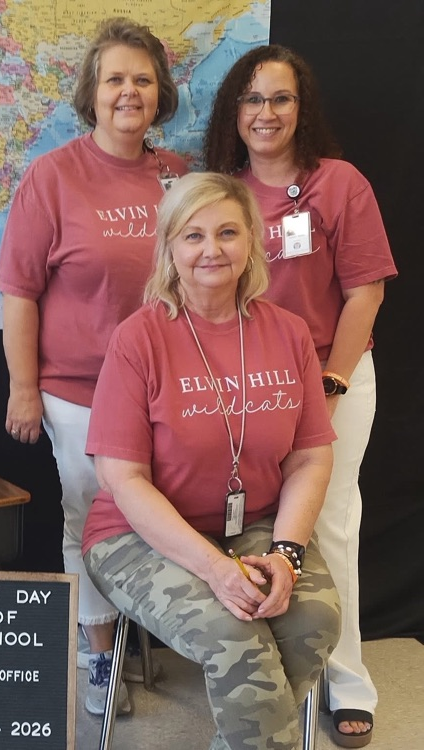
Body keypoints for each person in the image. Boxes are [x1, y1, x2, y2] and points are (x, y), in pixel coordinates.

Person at [83, 171, 341, 749]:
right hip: (138, 537)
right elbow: (122, 480)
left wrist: (286, 553)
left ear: (251, 240)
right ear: (169, 248)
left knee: (313, 625)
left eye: (228, 232)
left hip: (256, 525)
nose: (212, 249)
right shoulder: (139, 339)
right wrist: (216, 569)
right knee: (237, 638)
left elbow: (308, 459)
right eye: (193, 236)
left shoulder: (289, 333)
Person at [204, 44, 397, 748]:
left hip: (334, 374)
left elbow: (365, 291)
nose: (265, 113)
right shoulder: (221, 191)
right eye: (251, 99)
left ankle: (346, 681)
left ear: (301, 108)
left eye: (280, 98)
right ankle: (272, 666)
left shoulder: (340, 183)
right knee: (256, 524)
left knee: (331, 524)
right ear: (234, 111)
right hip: (249, 382)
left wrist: (333, 383)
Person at [0, 17, 187, 715]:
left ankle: (168, 637)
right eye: (114, 79)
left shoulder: (180, 174)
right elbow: (19, 291)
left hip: (168, 390)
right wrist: (23, 389)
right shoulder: (54, 176)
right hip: (78, 392)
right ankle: (99, 651)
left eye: (142, 79)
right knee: (93, 519)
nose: (128, 92)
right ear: (92, 92)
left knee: (163, 516)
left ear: (160, 92)